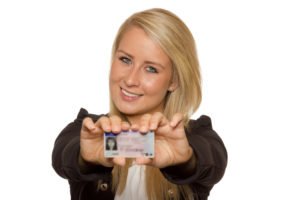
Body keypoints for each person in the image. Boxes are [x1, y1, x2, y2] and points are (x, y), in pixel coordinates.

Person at [52, 8, 227, 200]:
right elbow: (63, 155)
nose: (130, 79)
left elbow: (212, 160)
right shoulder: (87, 130)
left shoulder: (197, 138)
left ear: (174, 80)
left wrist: (185, 160)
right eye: (125, 60)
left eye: (151, 69)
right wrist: (87, 158)